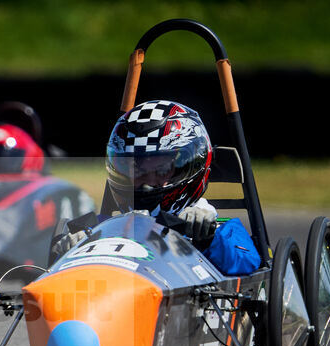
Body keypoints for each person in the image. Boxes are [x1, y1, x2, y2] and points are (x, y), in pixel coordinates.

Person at [52, 100, 259, 275]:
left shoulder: (219, 229)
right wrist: (72, 250)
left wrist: (208, 237)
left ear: (191, 166)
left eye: (161, 170)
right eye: (137, 171)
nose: (148, 183)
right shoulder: (102, 227)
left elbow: (247, 262)